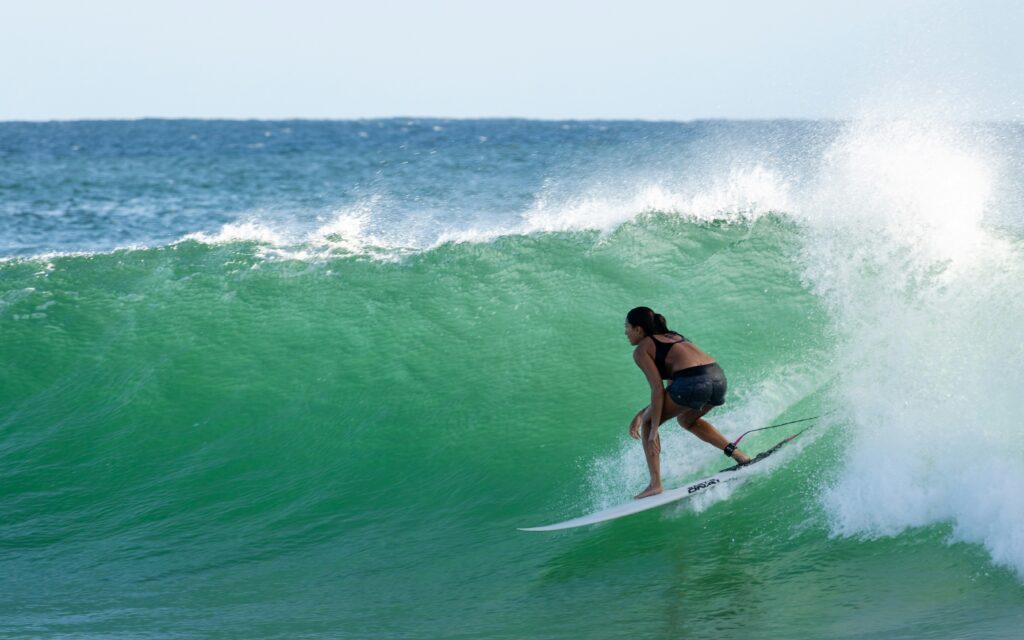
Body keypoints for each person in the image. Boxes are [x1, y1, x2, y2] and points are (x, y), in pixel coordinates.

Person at [624, 306, 750, 499]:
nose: (626, 332)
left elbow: (657, 389)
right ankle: (739, 455)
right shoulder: (674, 337)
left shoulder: (642, 349)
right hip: (718, 379)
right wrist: (643, 412)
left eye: (627, 327)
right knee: (687, 421)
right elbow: (670, 391)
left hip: (692, 382)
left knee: (649, 424)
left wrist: (652, 427)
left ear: (638, 329)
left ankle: (655, 485)